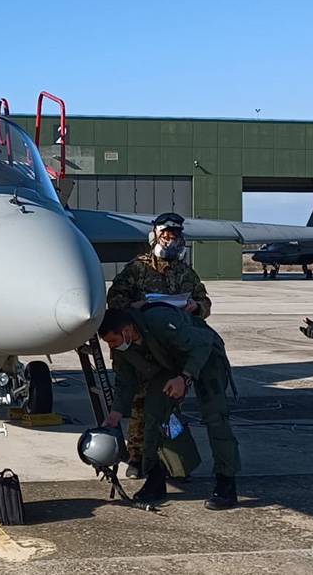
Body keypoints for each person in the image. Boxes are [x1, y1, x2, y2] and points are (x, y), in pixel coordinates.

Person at [98, 306, 240, 510]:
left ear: (127, 331)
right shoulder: (123, 347)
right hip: (169, 362)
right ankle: (156, 477)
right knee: (153, 414)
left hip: (206, 356)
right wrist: (114, 414)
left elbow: (202, 343)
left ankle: (226, 483)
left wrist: (185, 377)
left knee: (215, 417)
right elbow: (125, 381)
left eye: (113, 341)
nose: (112, 346)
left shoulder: (160, 321)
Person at [106, 212, 212, 479]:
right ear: (155, 235)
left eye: (175, 235)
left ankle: (168, 458)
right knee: (139, 403)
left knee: (167, 406)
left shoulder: (186, 273)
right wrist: (135, 307)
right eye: (165, 234)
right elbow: (114, 299)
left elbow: (205, 303)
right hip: (138, 347)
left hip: (169, 351)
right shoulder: (137, 269)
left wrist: (195, 307)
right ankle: (137, 457)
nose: (170, 239)